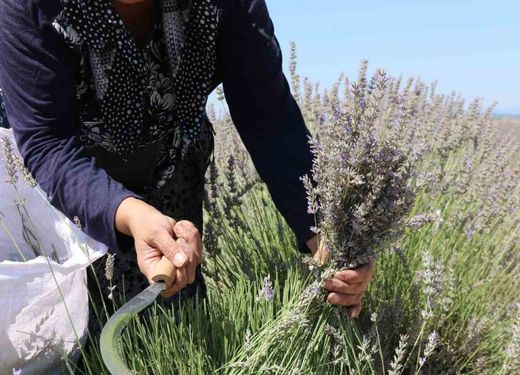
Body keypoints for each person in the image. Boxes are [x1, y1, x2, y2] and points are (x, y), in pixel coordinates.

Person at [0, 0, 374, 332]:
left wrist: (326, 232)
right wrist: (129, 213)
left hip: (169, 156)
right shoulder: (30, 7)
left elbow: (270, 118)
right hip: (48, 182)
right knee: (63, 327)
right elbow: (47, 143)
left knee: (171, 323)